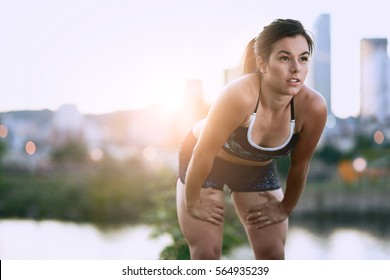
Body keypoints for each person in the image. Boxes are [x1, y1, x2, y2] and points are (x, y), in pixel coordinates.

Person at [176, 19, 327, 260]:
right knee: (206, 254)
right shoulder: (238, 95)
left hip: (256, 169)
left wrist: (285, 207)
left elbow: (301, 164)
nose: (296, 68)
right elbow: (202, 154)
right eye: (285, 58)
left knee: (272, 255)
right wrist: (192, 203)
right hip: (206, 162)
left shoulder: (314, 107)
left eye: (303, 58)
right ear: (262, 63)